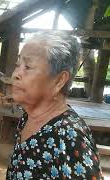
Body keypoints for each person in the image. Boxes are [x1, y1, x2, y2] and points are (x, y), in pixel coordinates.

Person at [6, 32, 103, 179]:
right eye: (18, 65)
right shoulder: (28, 117)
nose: (16, 75)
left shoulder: (70, 137)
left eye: (28, 66)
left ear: (59, 81)